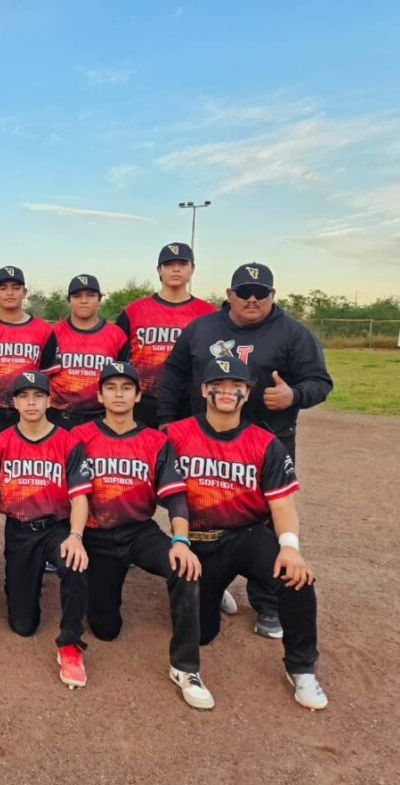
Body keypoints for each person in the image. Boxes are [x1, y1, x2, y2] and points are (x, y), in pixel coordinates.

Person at [158, 262, 333, 637]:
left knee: (267, 517)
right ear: (229, 294)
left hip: (268, 439)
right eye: (244, 292)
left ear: (272, 295)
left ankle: (267, 602)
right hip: (205, 439)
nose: (252, 299)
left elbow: (320, 381)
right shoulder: (202, 327)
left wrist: (293, 395)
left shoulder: (292, 333)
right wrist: (167, 421)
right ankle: (211, 578)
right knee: (200, 505)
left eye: (261, 293)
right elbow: (173, 373)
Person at [165, 357, 328, 710]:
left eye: (235, 386)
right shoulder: (175, 435)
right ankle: (216, 587)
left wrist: (290, 547)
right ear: (204, 390)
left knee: (297, 578)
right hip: (198, 542)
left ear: (247, 392)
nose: (227, 392)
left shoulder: (265, 442)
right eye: (218, 385)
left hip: (246, 536)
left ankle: (301, 668)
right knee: (202, 634)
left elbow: (282, 505)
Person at [73, 361, 213, 709]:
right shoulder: (80, 436)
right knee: (105, 629)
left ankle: (185, 668)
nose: (118, 395)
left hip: (139, 532)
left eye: (126, 388)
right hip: (95, 536)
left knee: (183, 568)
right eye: (111, 388)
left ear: (138, 395)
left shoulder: (155, 441)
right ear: (99, 395)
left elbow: (175, 498)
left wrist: (181, 541)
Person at [0, 371, 92, 687]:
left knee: (74, 563)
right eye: (24, 396)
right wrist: (15, 504)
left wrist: (75, 537)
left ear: (49, 401)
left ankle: (70, 645)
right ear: (15, 402)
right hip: (19, 531)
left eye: (38, 396)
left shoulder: (68, 442)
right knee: (23, 625)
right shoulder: (0, 442)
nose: (31, 403)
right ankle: (24, 586)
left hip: (56, 527)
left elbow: (80, 496)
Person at [116, 243, 216, 428]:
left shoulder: (208, 313)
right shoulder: (135, 310)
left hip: (189, 402)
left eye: (182, 264)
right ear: (159, 270)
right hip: (143, 401)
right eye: (169, 264)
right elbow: (117, 358)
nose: (176, 269)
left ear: (192, 268)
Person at [0, 266, 58, 446]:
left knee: (24, 461)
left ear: (25, 292)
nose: (9, 293)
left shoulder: (44, 330)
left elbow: (47, 374)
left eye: (16, 287)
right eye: (3, 288)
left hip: (27, 411)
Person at [49, 274, 129, 431]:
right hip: (59, 417)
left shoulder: (116, 335)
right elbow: (43, 376)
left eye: (90, 295)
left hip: (102, 418)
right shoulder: (53, 333)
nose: (84, 301)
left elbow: (124, 379)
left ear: (99, 299)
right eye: (77, 296)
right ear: (68, 300)